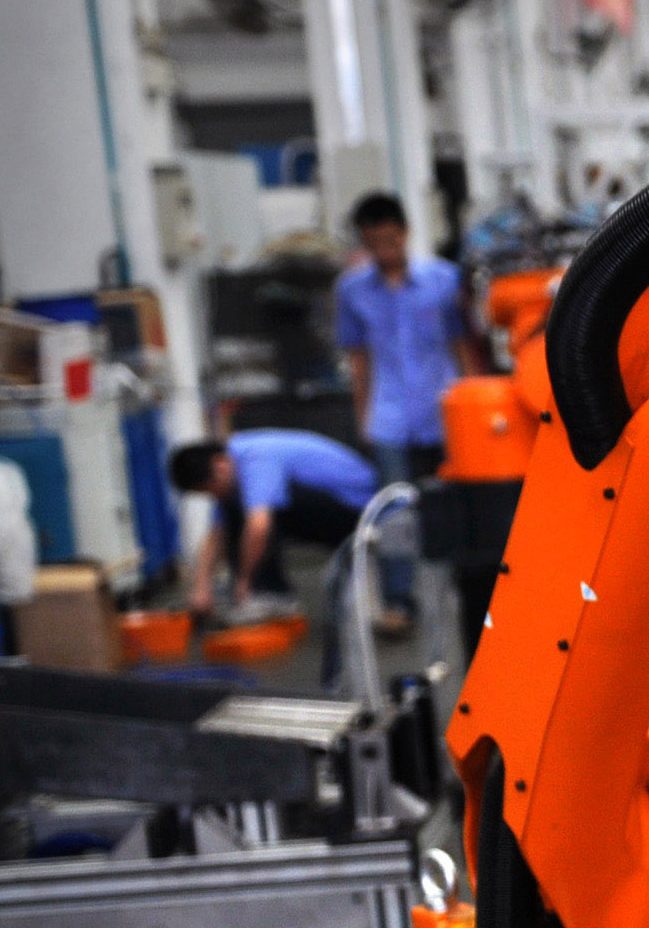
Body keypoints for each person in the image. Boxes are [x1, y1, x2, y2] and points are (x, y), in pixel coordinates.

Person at [334, 191, 475, 613]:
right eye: (373, 243)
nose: (384, 251)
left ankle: (465, 589)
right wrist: (363, 417)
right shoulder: (352, 290)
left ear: (406, 233)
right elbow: (359, 359)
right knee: (394, 508)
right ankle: (400, 600)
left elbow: (463, 345)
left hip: (443, 408)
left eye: (390, 241)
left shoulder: (444, 280)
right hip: (389, 414)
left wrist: (473, 402)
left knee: (454, 499)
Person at [169, 432, 379, 623]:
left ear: (220, 465)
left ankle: (269, 594)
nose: (215, 496)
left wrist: (245, 581)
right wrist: (202, 587)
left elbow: (259, 525)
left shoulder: (256, 457)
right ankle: (258, 593)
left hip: (362, 512)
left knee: (253, 511)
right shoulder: (234, 462)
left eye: (211, 489)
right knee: (236, 507)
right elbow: (217, 534)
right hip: (333, 509)